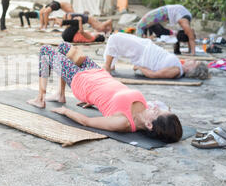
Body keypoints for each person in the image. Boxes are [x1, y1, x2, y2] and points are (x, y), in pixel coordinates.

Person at [27, 42, 183, 143]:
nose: (156, 107)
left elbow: (87, 122)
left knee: (45, 51)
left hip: (81, 81)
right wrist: (96, 101)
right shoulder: (145, 110)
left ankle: (40, 98)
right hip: (97, 72)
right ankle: (60, 94)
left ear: (149, 125)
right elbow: (113, 98)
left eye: (157, 112)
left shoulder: (123, 122)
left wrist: (65, 111)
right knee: (64, 47)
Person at [103, 33, 209, 79]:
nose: (192, 60)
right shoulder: (179, 66)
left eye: (195, 63)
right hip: (146, 47)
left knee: (114, 38)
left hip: (143, 53)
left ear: (193, 70)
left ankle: (107, 68)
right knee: (118, 37)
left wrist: (139, 67)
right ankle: (111, 65)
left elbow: (154, 74)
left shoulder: (176, 71)